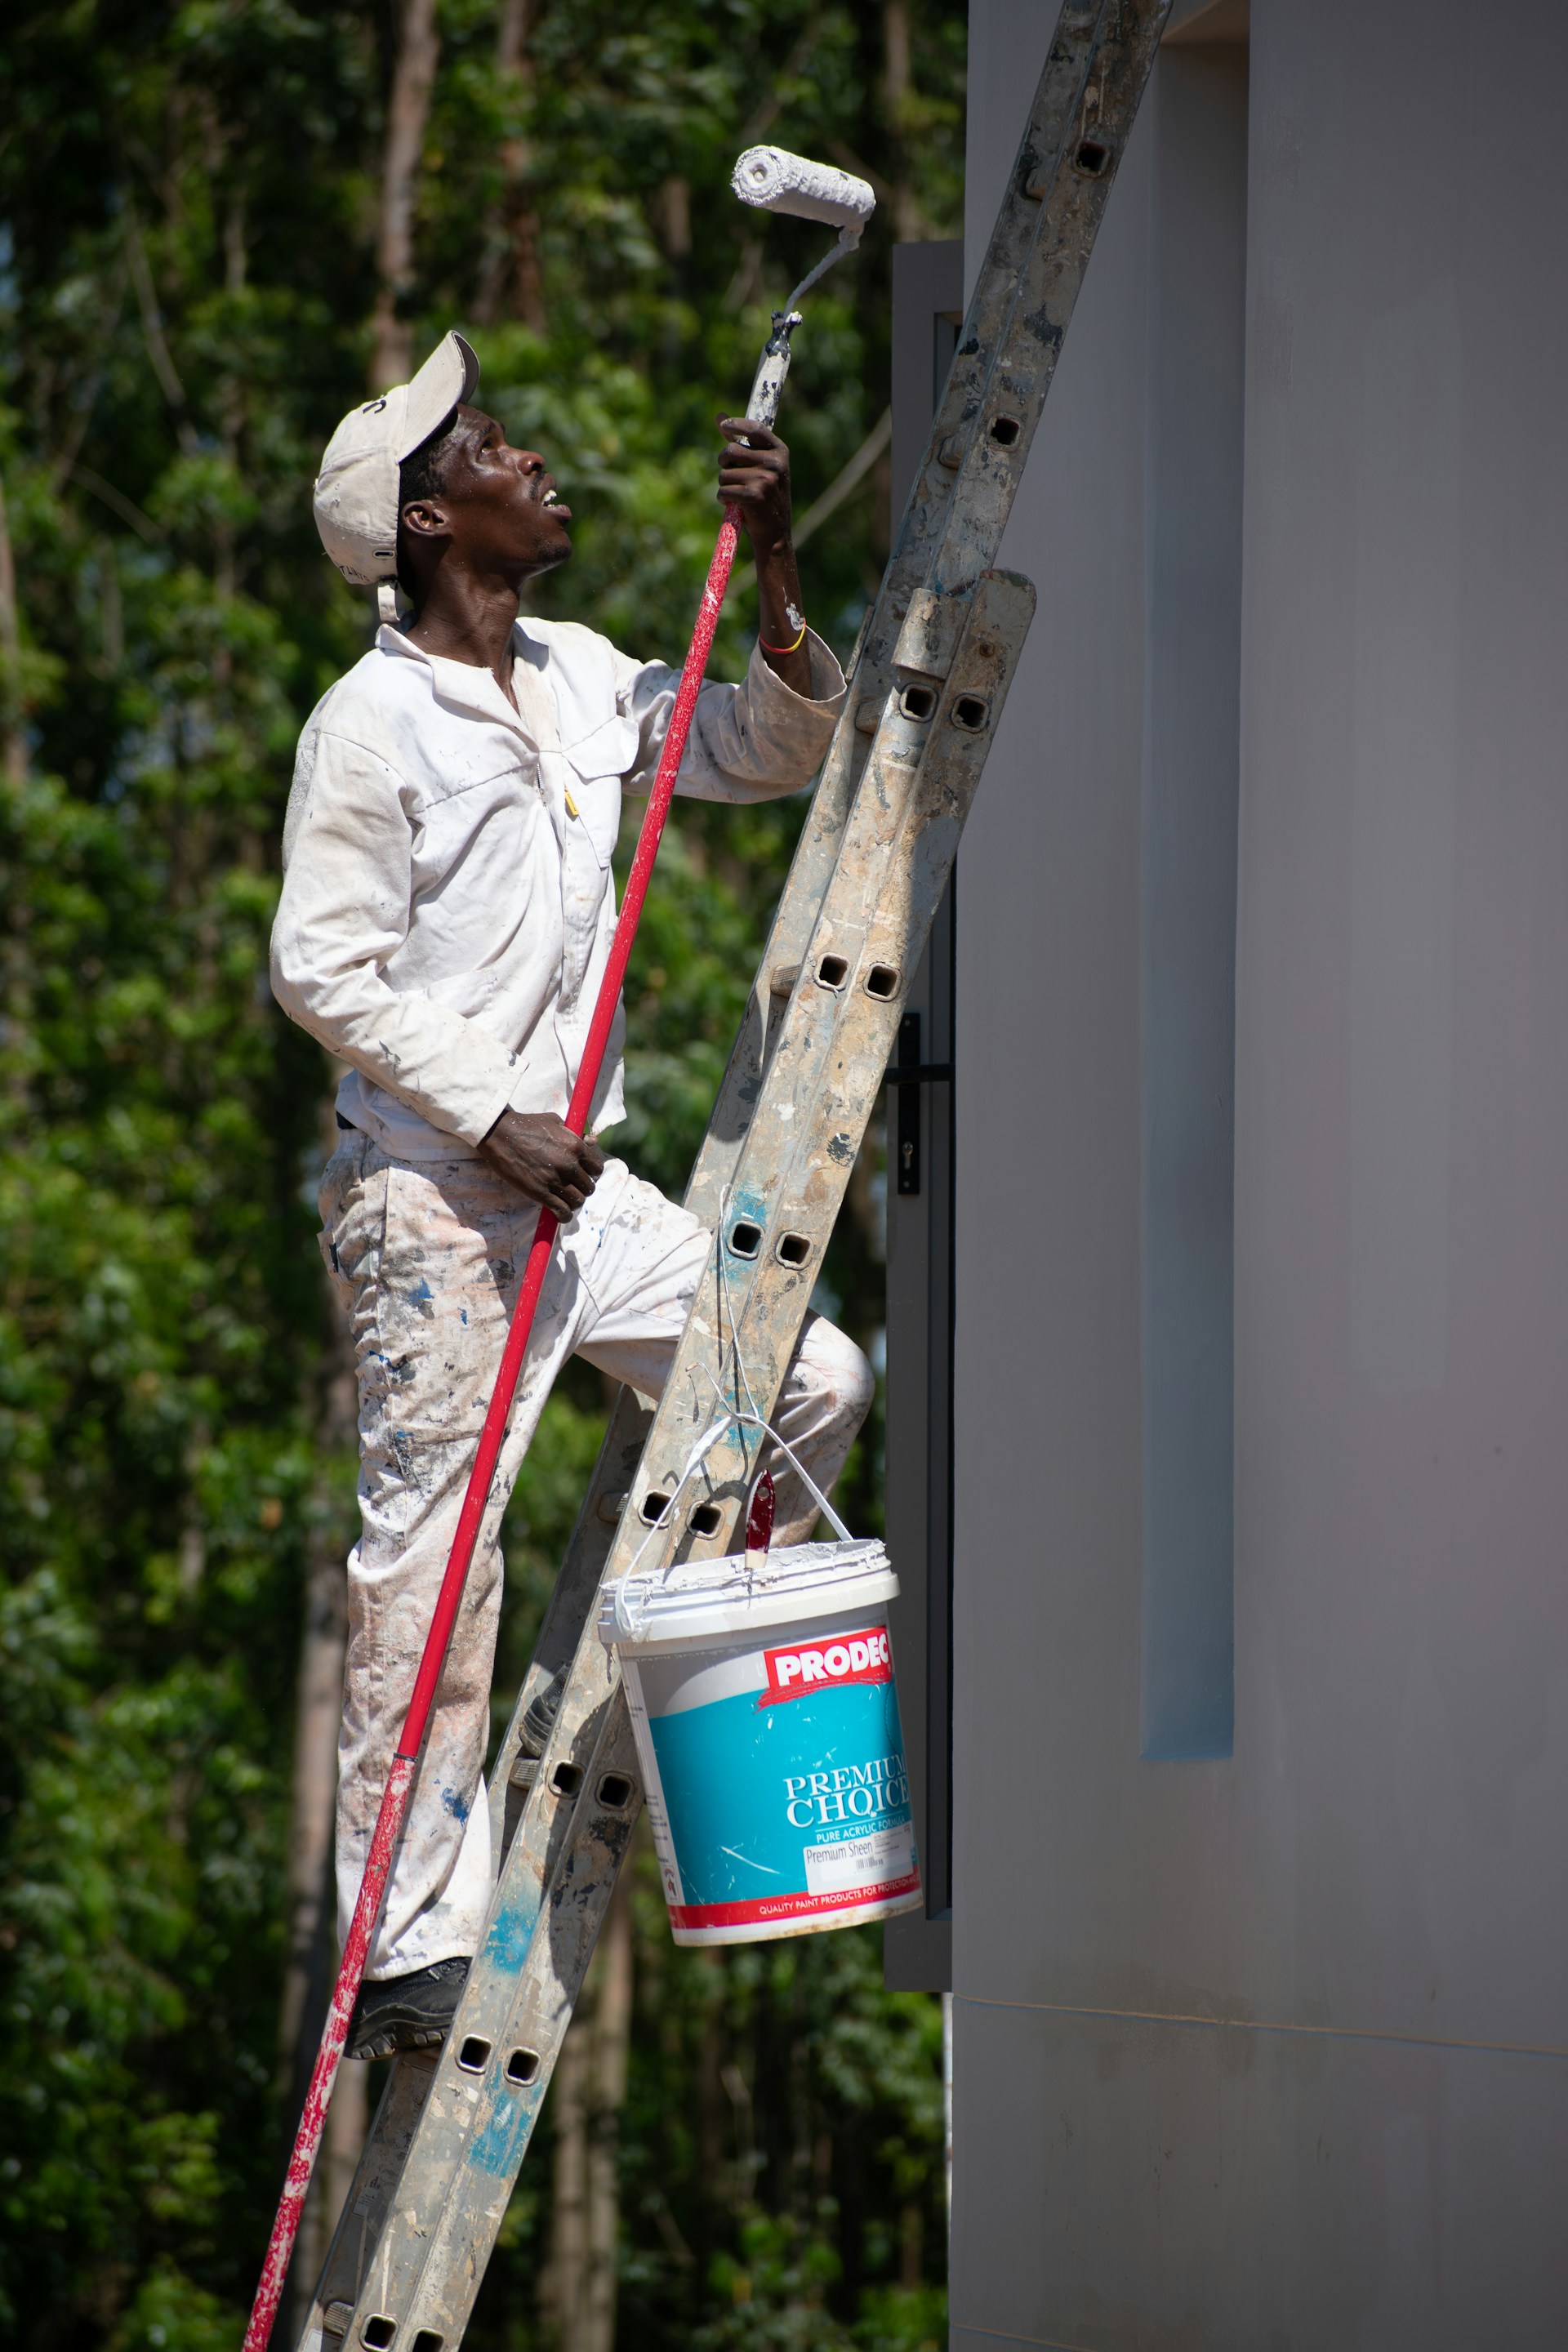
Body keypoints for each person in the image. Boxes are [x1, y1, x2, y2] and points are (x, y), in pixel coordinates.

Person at [270, 332, 872, 2060]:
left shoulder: (582, 672)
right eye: (496, 449)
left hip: (574, 1194)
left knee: (813, 1382)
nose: (533, 460)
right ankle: (402, 1957)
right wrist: (488, 1111)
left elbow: (766, 748)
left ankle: (671, 1673)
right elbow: (321, 963)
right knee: (431, 1581)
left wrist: (771, 582)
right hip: (436, 1203)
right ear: (430, 518)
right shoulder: (368, 724)